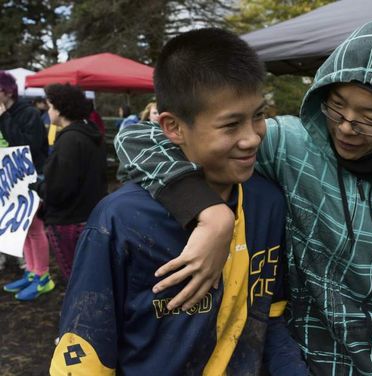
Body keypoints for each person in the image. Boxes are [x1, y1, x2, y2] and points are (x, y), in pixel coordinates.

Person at [115, 18, 372, 375]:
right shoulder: (290, 146)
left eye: (369, 117)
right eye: (337, 105)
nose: (347, 126)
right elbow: (138, 140)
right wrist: (209, 212)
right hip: (298, 358)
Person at [50, 28, 307, 375]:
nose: (251, 138)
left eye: (258, 116)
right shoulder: (121, 220)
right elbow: (85, 356)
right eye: (231, 125)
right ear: (173, 127)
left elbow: (271, 319)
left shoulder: (267, 202)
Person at [34, 83, 107, 281]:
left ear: (60, 108)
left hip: (68, 222)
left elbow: (57, 189)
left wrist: (37, 186)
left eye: (50, 106)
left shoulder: (68, 140)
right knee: (92, 277)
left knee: (77, 279)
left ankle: (82, 312)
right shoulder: (91, 135)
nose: (49, 111)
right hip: (91, 217)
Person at [0, 70, 54, 301]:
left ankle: (43, 277)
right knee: (25, 228)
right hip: (11, 178)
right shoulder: (10, 112)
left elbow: (26, 146)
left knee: (35, 226)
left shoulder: (28, 112)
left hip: (31, 178)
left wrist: (3, 117)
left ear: (6, 92)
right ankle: (32, 272)